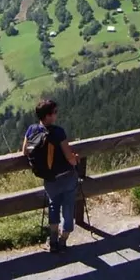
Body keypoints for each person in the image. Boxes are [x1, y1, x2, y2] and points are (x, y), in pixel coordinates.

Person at [24, 98, 80, 252]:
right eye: (55, 112)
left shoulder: (31, 130)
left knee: (53, 206)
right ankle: (63, 241)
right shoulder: (58, 132)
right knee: (68, 207)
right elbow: (69, 157)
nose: (56, 115)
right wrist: (75, 159)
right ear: (48, 116)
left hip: (49, 178)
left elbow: (25, 151)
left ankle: (53, 240)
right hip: (67, 176)